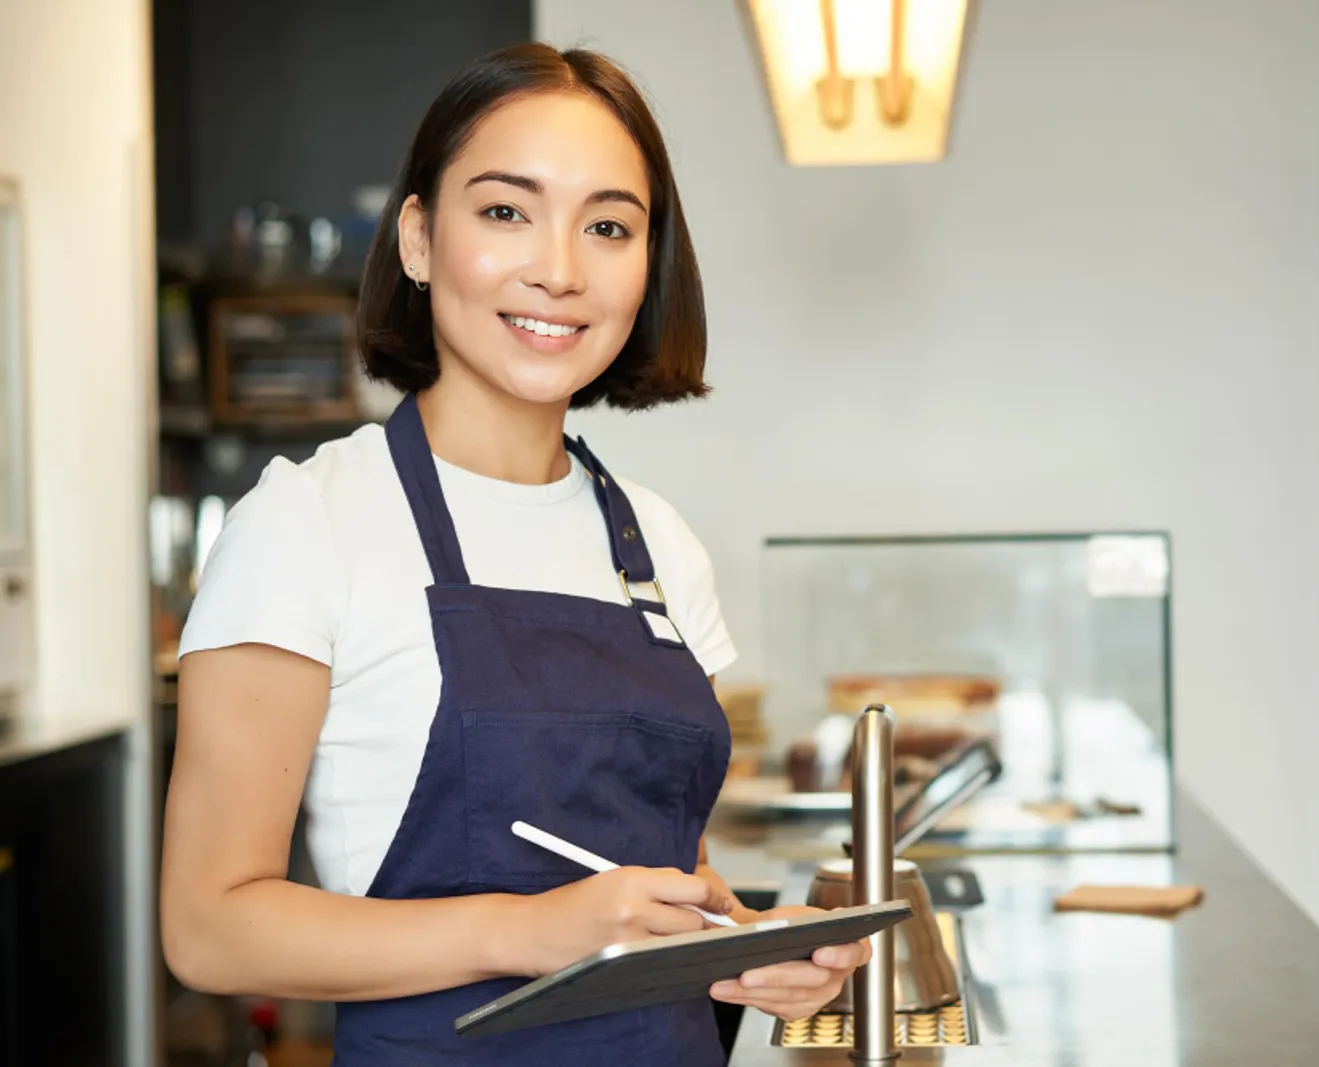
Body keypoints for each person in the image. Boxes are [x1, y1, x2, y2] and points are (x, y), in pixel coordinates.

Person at [160, 42, 869, 1065]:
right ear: (416, 237)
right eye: (505, 211)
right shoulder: (305, 522)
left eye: (609, 226)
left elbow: (661, 883)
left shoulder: (658, 540)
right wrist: (529, 930)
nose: (560, 268)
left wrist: (739, 942)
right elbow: (209, 926)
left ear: (647, 265)